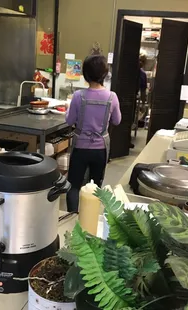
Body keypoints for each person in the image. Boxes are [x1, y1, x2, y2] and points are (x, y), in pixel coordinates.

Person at [65, 55, 122, 212]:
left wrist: (70, 108)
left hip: (80, 148)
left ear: (85, 74)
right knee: (96, 186)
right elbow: (117, 120)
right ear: (105, 74)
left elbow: (69, 121)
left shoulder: (78, 96)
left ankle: (72, 218)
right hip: (100, 149)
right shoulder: (112, 97)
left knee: (74, 185)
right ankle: (90, 216)